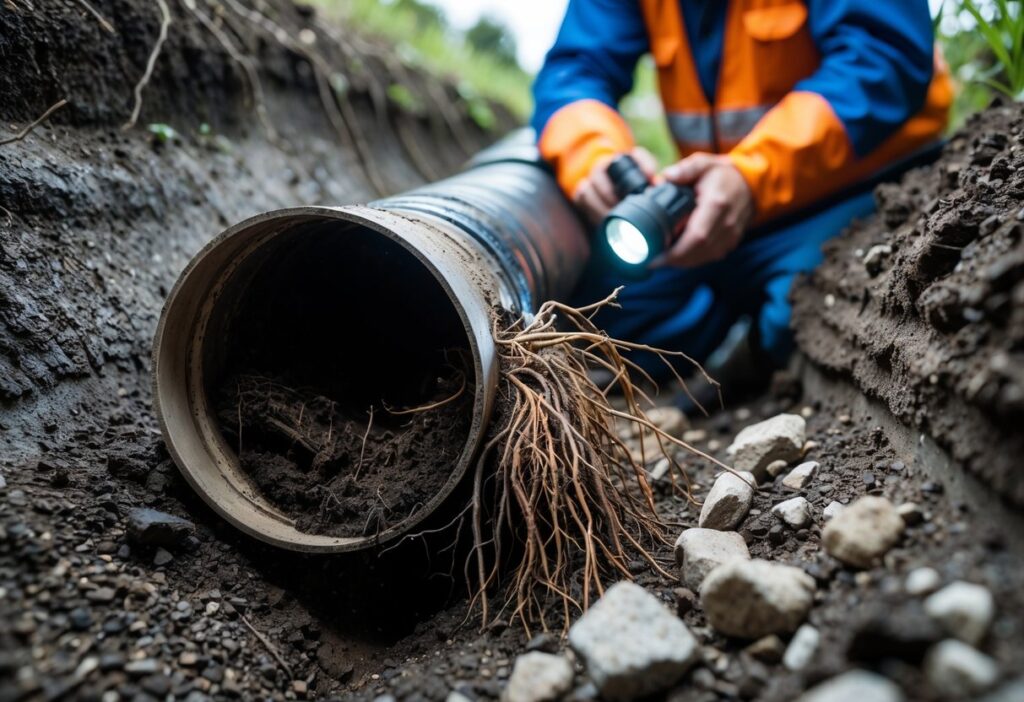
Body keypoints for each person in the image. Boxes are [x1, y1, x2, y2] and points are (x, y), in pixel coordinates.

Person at [532, 0, 952, 401]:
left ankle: (745, 356)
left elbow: (883, 55)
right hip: (713, 207)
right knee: (600, 306)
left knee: (805, 308)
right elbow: (576, 69)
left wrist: (752, 175)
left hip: (856, 186)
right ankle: (721, 336)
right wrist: (593, 156)